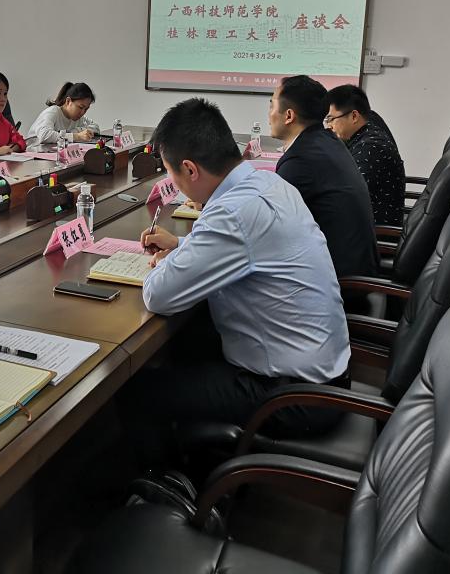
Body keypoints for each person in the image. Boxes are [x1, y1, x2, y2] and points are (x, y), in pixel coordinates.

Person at [124, 98, 350, 468]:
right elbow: (249, 249)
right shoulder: (267, 183)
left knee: (139, 390)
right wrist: (182, 246)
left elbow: (159, 295)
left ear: (190, 169)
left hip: (294, 398)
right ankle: (195, 457)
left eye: (170, 173)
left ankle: (169, 489)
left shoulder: (231, 212)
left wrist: (169, 263)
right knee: (190, 341)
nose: (173, 184)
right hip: (325, 376)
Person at [268, 75, 378, 277]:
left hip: (338, 280)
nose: (269, 113)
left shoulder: (300, 159)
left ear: (289, 115)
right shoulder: (326, 141)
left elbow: (269, 224)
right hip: (355, 266)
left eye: (271, 105)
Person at [325, 85, 406, 226]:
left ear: (354, 116)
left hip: (375, 230)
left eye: (331, 119)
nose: (329, 126)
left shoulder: (370, 148)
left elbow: (347, 198)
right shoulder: (366, 133)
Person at [26, 81, 99, 144]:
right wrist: (77, 136)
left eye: (86, 109)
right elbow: (44, 135)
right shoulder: (53, 112)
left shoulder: (79, 118)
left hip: (52, 152)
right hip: (32, 151)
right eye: (80, 107)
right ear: (68, 101)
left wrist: (75, 131)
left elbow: (95, 127)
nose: (83, 112)